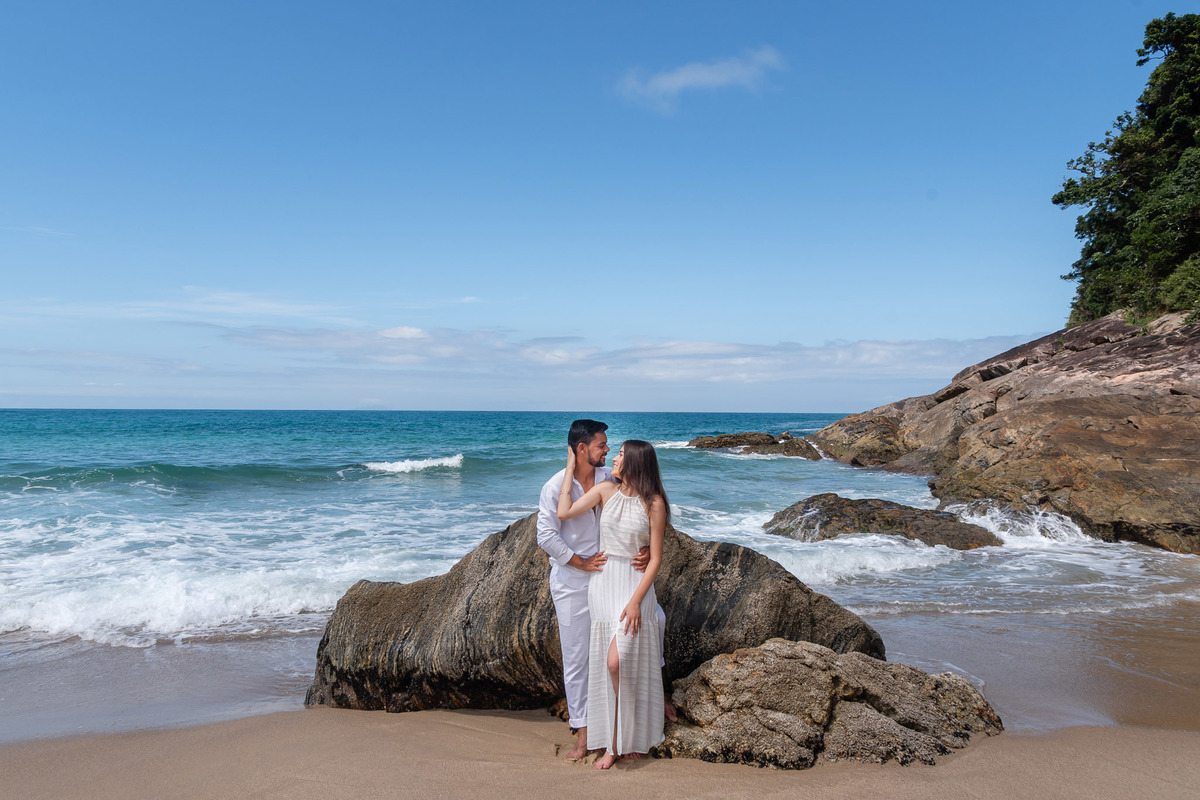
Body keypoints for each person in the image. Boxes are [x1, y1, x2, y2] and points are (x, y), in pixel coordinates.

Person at [536, 420, 671, 763]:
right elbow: (547, 534)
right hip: (580, 580)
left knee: (656, 620)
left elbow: (640, 521)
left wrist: (640, 549)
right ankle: (587, 737)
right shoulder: (556, 486)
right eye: (602, 446)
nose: (608, 451)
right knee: (583, 660)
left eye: (615, 449)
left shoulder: (608, 480)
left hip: (620, 576)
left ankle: (653, 701)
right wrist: (578, 562)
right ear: (582, 450)